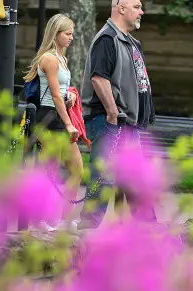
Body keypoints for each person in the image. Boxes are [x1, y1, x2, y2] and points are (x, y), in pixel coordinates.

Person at [79, 0, 156, 229]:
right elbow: (98, 78)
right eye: (137, 6)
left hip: (127, 123)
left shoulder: (130, 41)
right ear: (121, 8)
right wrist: (112, 113)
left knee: (134, 177)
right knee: (105, 177)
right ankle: (87, 229)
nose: (142, 11)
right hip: (109, 121)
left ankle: (147, 227)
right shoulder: (107, 38)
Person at [24, 14, 83, 219]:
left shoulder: (62, 59)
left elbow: (63, 92)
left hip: (60, 114)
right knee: (50, 171)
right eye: (67, 33)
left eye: (72, 34)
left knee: (77, 168)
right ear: (55, 34)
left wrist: (72, 96)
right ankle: (44, 218)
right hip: (49, 117)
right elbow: (55, 95)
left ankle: (64, 219)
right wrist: (68, 124)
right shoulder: (49, 58)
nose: (71, 37)